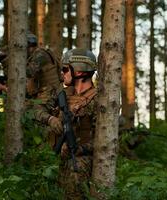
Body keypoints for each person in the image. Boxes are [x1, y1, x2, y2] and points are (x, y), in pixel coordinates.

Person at [34, 48, 97, 199]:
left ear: (80, 71)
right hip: (55, 159)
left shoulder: (98, 100)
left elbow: (104, 141)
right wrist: (50, 119)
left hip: (79, 161)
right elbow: (33, 110)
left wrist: (79, 149)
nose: (62, 73)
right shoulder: (61, 94)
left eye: (65, 69)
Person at [0, 33, 61, 103]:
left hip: (51, 94)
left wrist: (8, 61)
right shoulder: (32, 57)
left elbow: (28, 72)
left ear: (28, 46)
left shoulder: (41, 54)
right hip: (43, 93)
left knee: (31, 110)